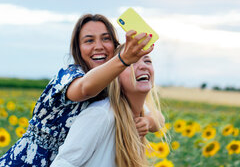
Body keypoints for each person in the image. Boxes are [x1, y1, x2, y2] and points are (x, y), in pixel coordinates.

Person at [0, 13, 156, 166]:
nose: (98, 46)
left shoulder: (112, 87)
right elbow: (85, 88)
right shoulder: (70, 75)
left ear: (114, 45)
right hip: (25, 161)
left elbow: (155, 116)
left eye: (106, 38)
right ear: (78, 48)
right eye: (89, 41)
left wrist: (148, 122)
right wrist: (124, 59)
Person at [50, 52, 164, 167]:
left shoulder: (140, 110)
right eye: (131, 63)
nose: (143, 66)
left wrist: (148, 122)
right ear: (115, 77)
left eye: (147, 61)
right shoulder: (100, 114)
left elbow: (160, 120)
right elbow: (64, 163)